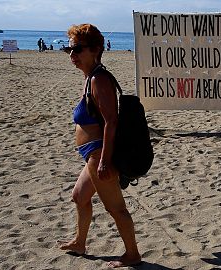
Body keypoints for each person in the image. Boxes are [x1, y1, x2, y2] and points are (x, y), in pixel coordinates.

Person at [58, 23, 141, 268]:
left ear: (95, 50)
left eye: (77, 50)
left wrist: (105, 160)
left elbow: (111, 121)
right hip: (92, 156)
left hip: (99, 156)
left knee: (116, 208)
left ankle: (133, 255)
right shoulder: (90, 77)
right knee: (79, 197)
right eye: (68, 50)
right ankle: (80, 242)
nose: (72, 55)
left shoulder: (99, 80)